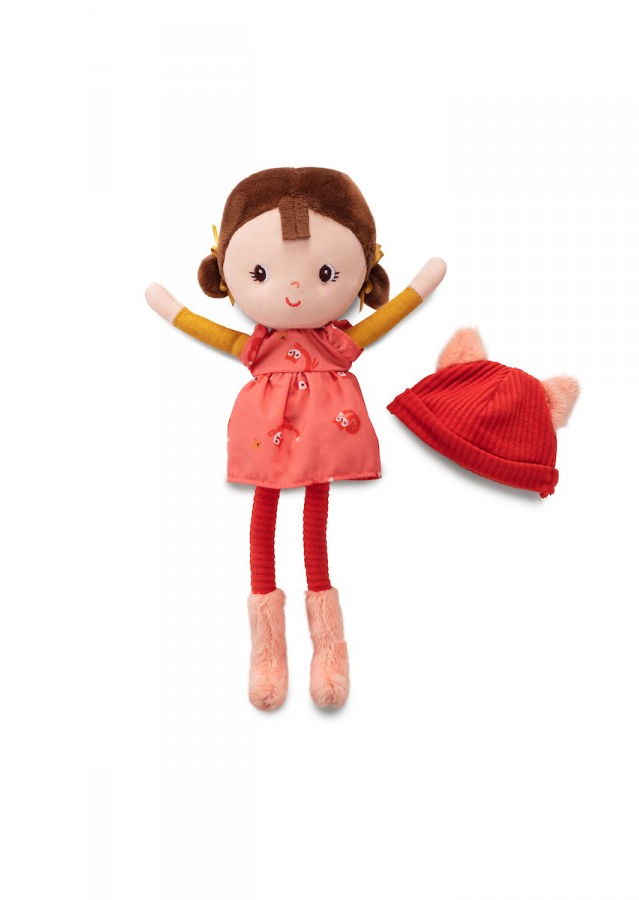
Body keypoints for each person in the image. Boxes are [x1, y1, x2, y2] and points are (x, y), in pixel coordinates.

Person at [146, 167, 446, 711]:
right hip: (268, 435)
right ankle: (268, 655)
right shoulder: (260, 346)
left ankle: (329, 652)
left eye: (325, 273)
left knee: (315, 531)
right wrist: (173, 310)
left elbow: (390, 316)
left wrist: (421, 286)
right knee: (265, 524)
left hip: (324, 436)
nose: (292, 290)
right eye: (261, 273)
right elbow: (209, 331)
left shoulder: (335, 343)